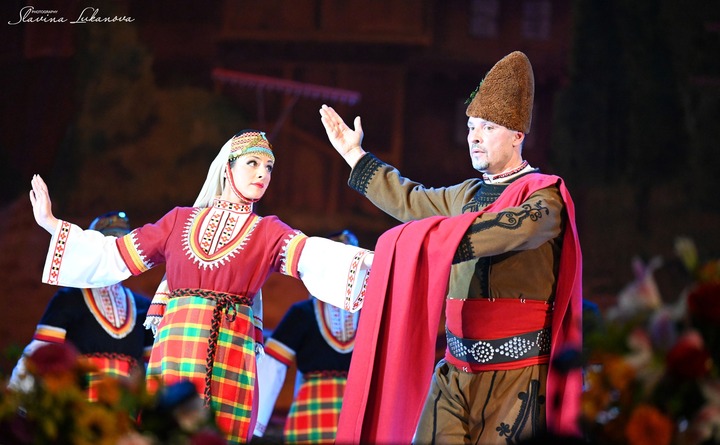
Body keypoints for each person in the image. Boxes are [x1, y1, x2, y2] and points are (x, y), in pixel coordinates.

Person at [28, 130, 373, 445]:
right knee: (168, 429)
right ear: (227, 168)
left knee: (219, 434)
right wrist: (53, 225)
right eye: (253, 163)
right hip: (176, 347)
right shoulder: (178, 220)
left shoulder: (268, 231)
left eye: (269, 167)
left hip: (231, 350)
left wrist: (379, 260)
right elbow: (116, 255)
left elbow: (313, 255)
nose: (262, 174)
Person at [319, 51, 583, 444]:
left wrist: (430, 246)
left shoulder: (545, 197)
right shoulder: (465, 194)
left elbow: (506, 230)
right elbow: (412, 202)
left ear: (517, 135)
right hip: (456, 371)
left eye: (487, 127)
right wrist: (354, 155)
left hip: (516, 376)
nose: (473, 136)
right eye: (471, 126)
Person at [8, 211, 154, 401]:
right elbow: (39, 356)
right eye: (106, 247)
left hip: (126, 416)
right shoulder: (69, 299)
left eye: (119, 247)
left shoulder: (144, 308)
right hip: (79, 415)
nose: (112, 256)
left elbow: (154, 371)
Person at [253, 229, 361, 444]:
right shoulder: (302, 314)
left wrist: (256, 428)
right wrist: (256, 426)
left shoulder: (372, 313)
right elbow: (274, 366)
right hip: (329, 408)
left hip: (354, 406)